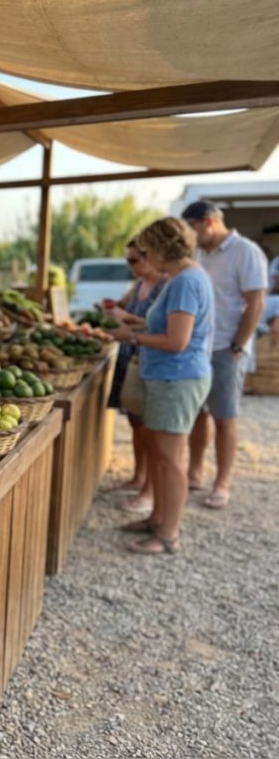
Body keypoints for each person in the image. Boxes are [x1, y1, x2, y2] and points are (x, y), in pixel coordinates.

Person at [105, 218, 214, 554]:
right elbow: (167, 325)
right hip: (168, 377)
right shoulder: (182, 277)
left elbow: (177, 340)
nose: (145, 256)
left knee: (170, 459)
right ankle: (158, 519)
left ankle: (168, 534)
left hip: (176, 378)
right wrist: (133, 322)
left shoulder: (185, 281)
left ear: (160, 247)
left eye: (146, 249)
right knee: (161, 452)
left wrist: (132, 336)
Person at [181, 201, 268, 509]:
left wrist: (238, 345)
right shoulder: (199, 253)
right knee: (198, 413)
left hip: (226, 348)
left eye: (191, 228)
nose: (189, 236)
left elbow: (256, 301)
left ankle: (223, 483)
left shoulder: (245, 251)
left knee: (225, 416)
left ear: (208, 222)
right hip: (198, 346)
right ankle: (195, 471)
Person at [104, 239, 165, 514]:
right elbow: (125, 310)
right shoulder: (140, 285)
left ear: (150, 256)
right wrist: (114, 312)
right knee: (136, 425)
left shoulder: (166, 286)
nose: (131, 266)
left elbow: (160, 328)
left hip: (149, 361)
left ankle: (149, 492)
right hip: (133, 359)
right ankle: (138, 477)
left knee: (152, 431)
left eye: (134, 260)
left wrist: (125, 322)